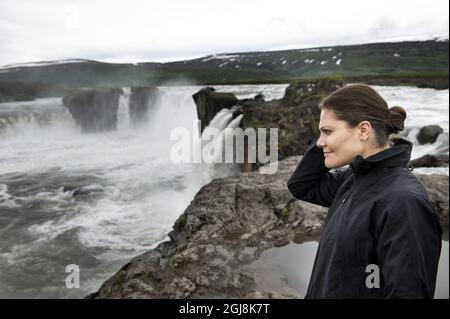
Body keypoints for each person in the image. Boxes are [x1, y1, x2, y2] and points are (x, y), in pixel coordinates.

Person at [287, 83, 442, 298]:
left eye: (327, 131)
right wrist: (327, 143)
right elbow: (301, 185)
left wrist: (329, 144)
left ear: (363, 130)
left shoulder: (403, 201)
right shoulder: (353, 178)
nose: (319, 142)